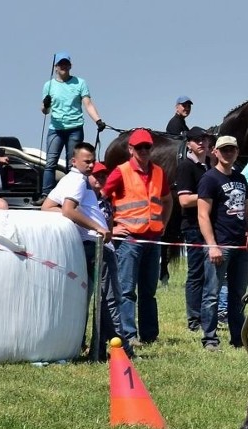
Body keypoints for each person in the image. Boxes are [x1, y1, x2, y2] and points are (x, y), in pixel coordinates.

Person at [41, 142, 132, 359]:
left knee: (99, 298)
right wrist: (96, 227)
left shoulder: (69, 180)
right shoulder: (78, 182)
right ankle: (120, 351)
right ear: (74, 161)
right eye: (86, 161)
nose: (91, 165)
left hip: (89, 244)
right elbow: (68, 210)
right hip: (96, 246)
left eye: (92, 160)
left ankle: (98, 349)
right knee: (109, 299)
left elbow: (47, 207)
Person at [101, 129, 172, 346]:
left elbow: (168, 200)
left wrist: (163, 225)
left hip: (153, 239)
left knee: (149, 291)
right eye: (139, 147)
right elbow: (101, 199)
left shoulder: (159, 172)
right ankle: (129, 335)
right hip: (129, 240)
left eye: (147, 147)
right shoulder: (120, 172)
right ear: (130, 149)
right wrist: (112, 228)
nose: (143, 151)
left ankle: (150, 335)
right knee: (127, 290)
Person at [197, 135, 248, 351]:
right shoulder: (209, 179)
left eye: (232, 149)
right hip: (220, 244)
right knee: (212, 293)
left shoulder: (241, 178)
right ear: (216, 152)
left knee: (238, 294)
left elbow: (247, 211)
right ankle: (210, 338)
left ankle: (238, 338)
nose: (228, 153)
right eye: (224, 150)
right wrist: (212, 245)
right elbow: (203, 214)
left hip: (241, 246)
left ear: (237, 152)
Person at [40, 52, 105, 196]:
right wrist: (45, 105)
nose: (63, 66)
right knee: (50, 162)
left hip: (75, 128)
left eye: (66, 64)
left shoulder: (79, 83)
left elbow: (88, 104)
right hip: (56, 129)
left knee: (73, 164)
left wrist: (98, 120)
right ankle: (46, 195)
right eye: (60, 64)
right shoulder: (49, 85)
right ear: (56, 67)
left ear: (70, 66)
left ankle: (71, 194)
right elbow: (45, 111)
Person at [175, 126, 212, 333]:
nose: (201, 142)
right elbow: (184, 200)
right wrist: (208, 196)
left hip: (210, 225)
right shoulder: (186, 167)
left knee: (211, 274)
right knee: (196, 273)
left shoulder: (209, 165)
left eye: (204, 139)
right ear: (188, 143)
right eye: (197, 139)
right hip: (193, 227)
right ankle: (194, 318)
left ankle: (207, 315)